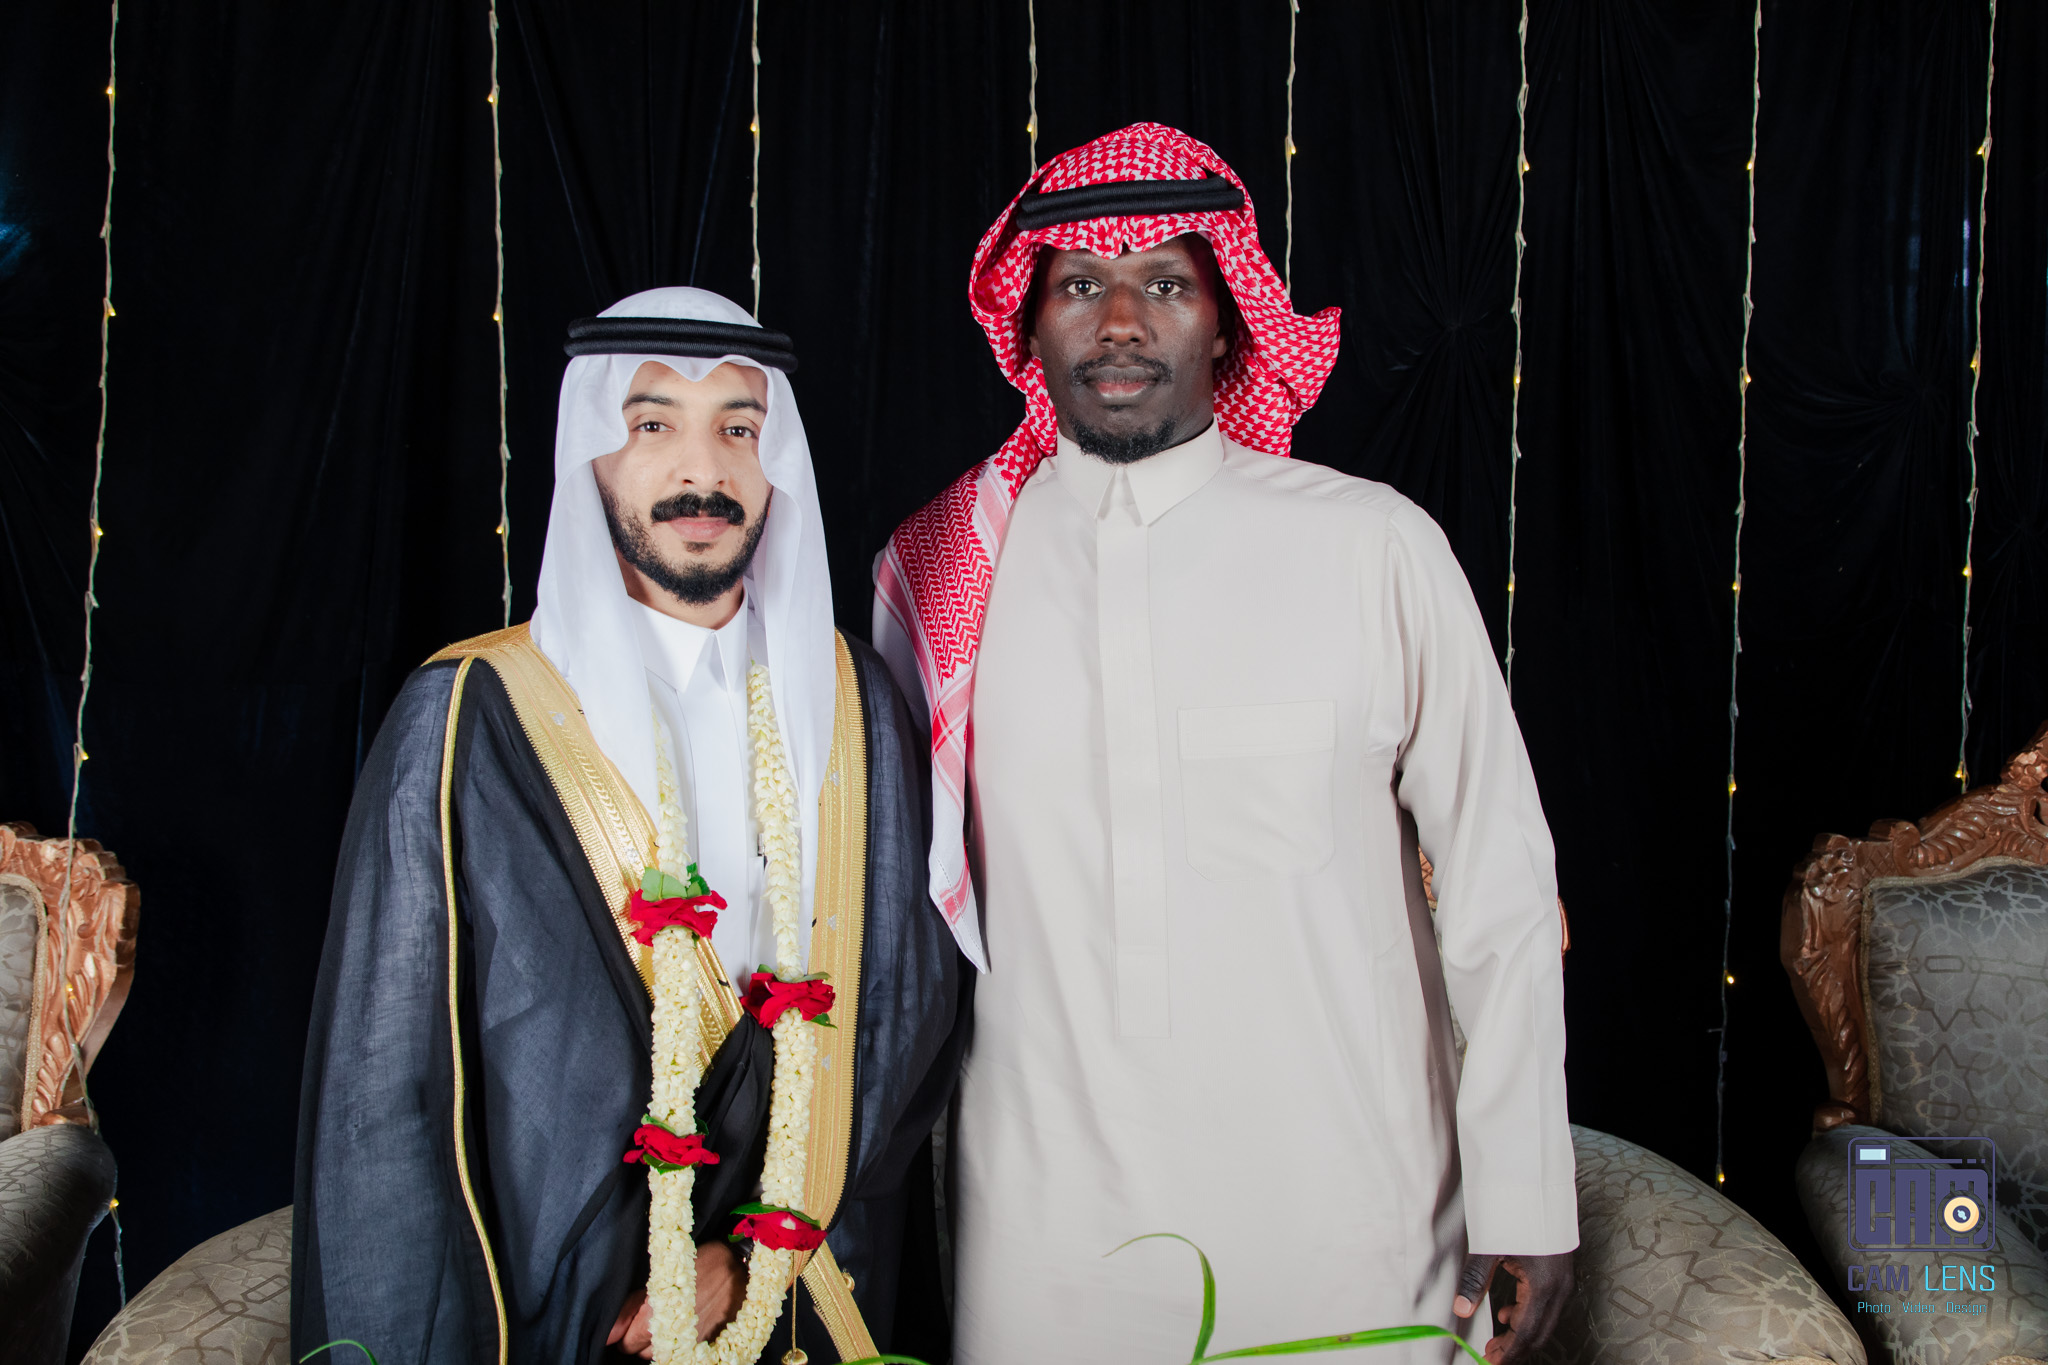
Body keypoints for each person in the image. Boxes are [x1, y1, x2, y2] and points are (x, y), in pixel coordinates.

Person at [874, 124, 1576, 1364]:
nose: (1120, 321)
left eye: (1165, 283)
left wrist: (1523, 1196)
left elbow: (1497, 885)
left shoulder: (1371, 547)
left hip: (1352, 1216)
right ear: (1027, 324)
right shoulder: (940, 573)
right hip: (1045, 1236)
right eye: (1079, 285)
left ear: (1227, 322)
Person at [295, 287, 970, 1365]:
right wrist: (622, 1277)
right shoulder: (470, 713)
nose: (702, 470)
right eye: (653, 425)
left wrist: (751, 1251)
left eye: (738, 430)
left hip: (808, 1280)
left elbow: (903, 1010)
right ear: (594, 459)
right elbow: (389, 1081)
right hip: (563, 1306)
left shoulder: (853, 701)